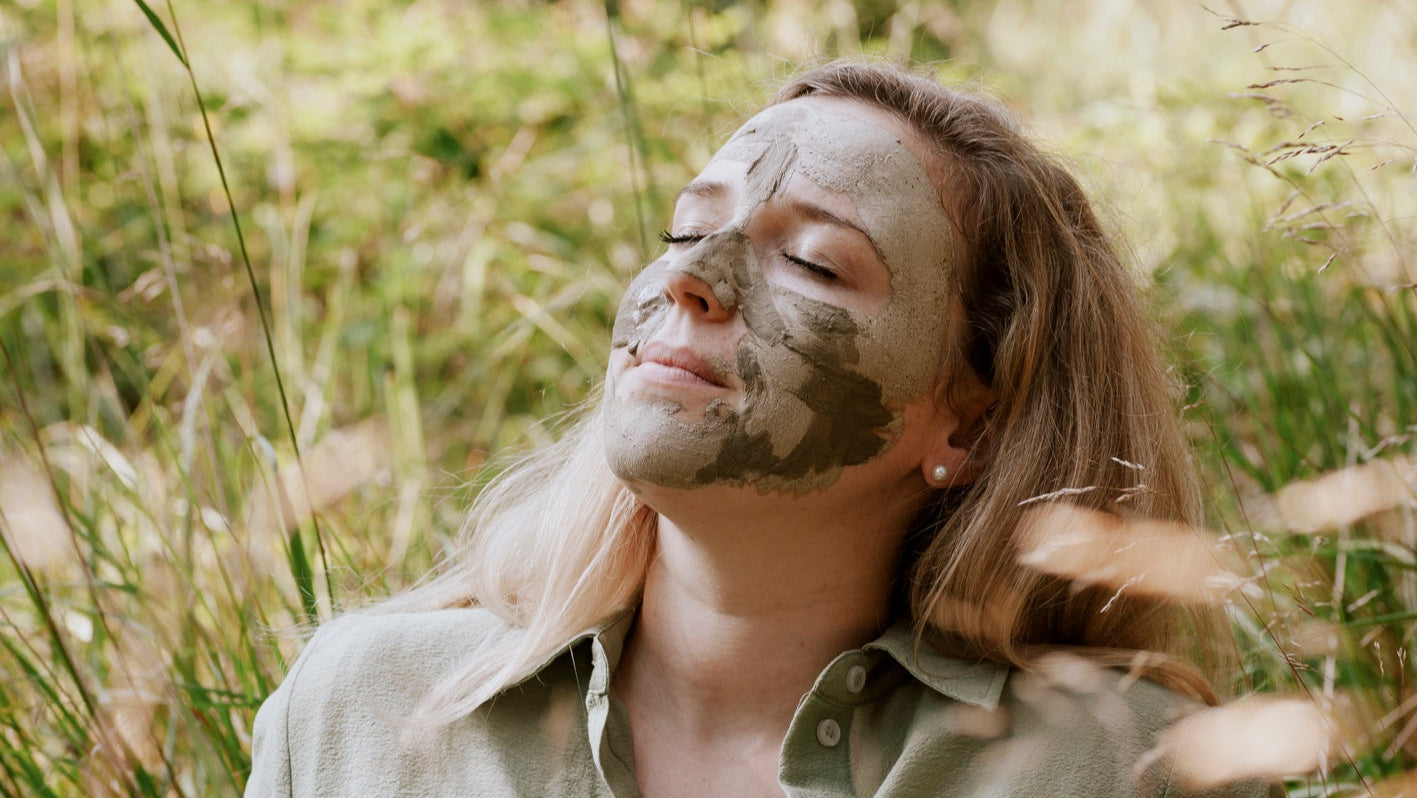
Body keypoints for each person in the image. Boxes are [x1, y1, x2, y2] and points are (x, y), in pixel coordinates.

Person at [245, 61, 1278, 797]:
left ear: (969, 425)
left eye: (817, 263)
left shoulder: (1125, 770)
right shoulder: (354, 713)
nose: (690, 276)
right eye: (688, 227)